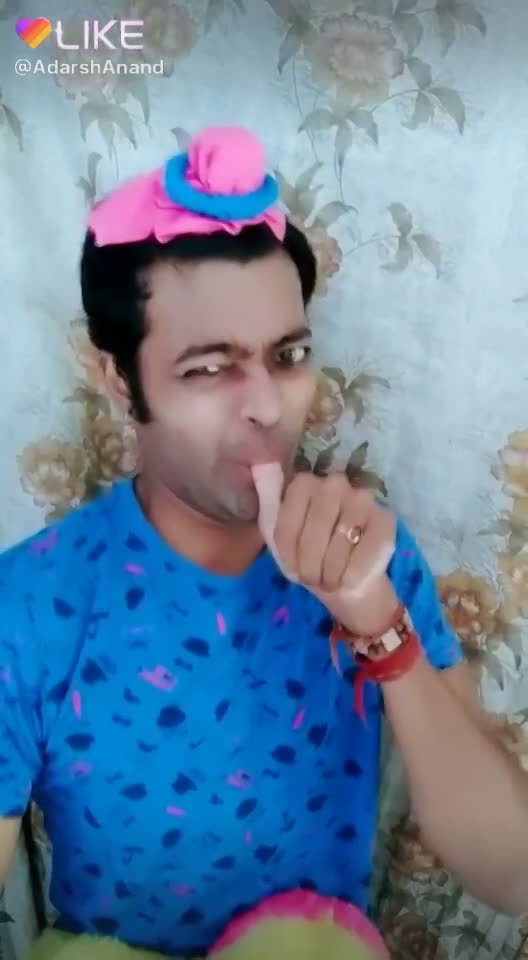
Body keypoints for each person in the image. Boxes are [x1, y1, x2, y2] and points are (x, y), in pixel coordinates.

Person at [0, 126, 526, 959]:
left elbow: (513, 872)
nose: (268, 407)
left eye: (289, 355)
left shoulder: (373, 557)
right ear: (118, 380)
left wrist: (376, 621)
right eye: (209, 368)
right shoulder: (30, 603)